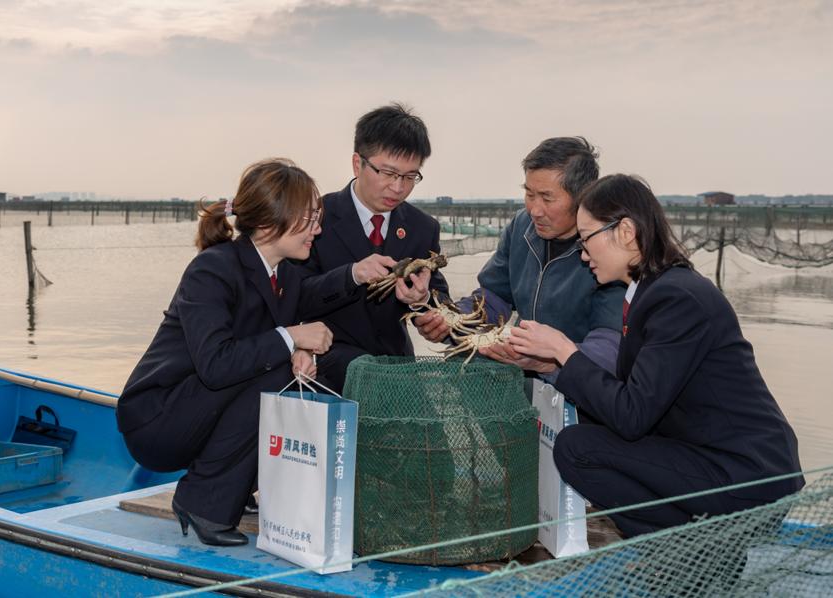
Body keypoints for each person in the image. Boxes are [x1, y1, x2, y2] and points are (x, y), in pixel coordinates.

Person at [507, 174, 804, 537]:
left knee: (577, 449)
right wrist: (549, 364)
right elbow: (629, 401)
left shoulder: (677, 299)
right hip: (713, 457)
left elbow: (631, 415)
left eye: (586, 239)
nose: (583, 255)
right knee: (583, 428)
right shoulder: (653, 291)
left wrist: (565, 351)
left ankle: (695, 547)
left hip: (747, 474)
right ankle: (691, 544)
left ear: (625, 231)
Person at [116, 159, 362, 546]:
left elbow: (281, 329)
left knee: (315, 371)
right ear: (268, 223)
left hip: (204, 408)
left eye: (318, 218)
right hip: (159, 418)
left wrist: (301, 352)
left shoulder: (284, 275)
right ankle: (203, 502)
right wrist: (291, 338)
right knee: (274, 372)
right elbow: (216, 364)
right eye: (309, 219)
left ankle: (239, 487)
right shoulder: (211, 270)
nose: (317, 229)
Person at [416, 137, 624, 378]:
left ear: (582, 197)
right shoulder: (521, 227)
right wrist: (452, 320)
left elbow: (610, 344)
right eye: (529, 194)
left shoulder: (609, 251)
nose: (535, 210)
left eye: (547, 198)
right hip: (524, 376)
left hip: (584, 386)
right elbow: (494, 297)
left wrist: (550, 360)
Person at [296, 103, 450, 393]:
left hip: (398, 376)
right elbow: (293, 298)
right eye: (388, 173)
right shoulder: (316, 217)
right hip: (326, 373)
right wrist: (352, 275)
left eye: (410, 176)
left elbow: (439, 300)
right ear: (358, 164)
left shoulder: (423, 227)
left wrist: (422, 301)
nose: (398, 188)